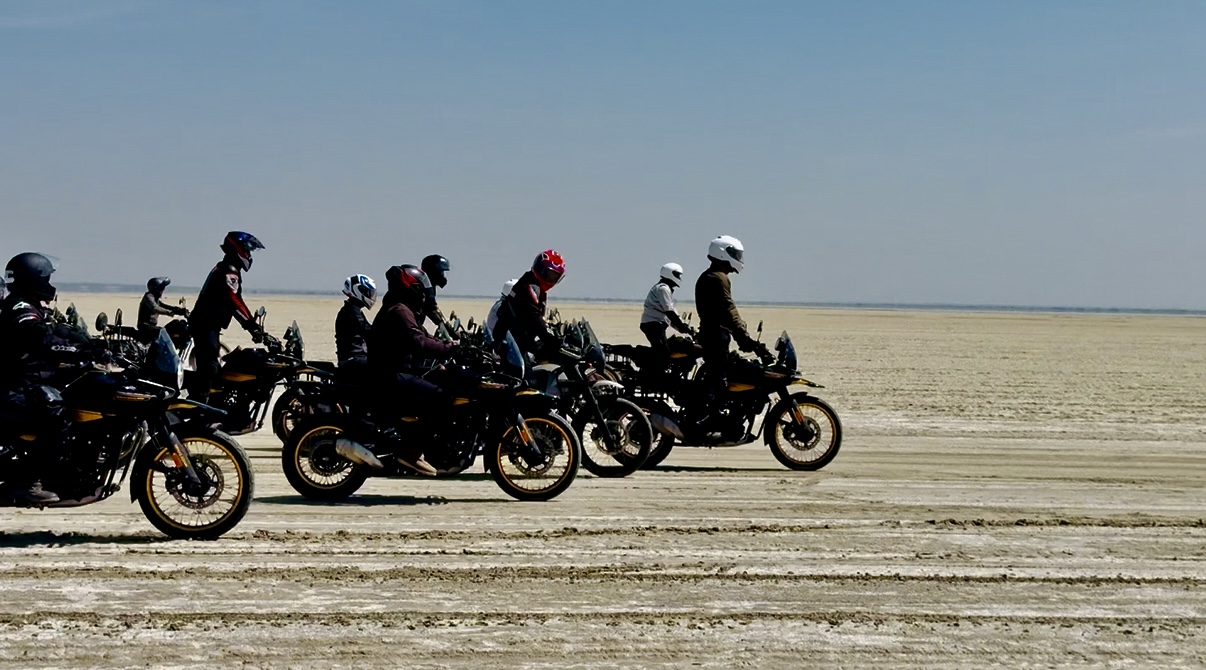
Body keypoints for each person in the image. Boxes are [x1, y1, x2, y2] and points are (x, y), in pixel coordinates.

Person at [0, 252, 93, 504]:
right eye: (47, 278)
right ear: (33, 279)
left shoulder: (28, 304)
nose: (50, 284)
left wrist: (86, 341)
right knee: (56, 415)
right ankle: (28, 483)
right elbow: (40, 337)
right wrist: (73, 347)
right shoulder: (20, 307)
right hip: (13, 387)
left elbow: (52, 332)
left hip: (24, 381)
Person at [368, 264, 454, 476]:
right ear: (411, 287)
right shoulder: (400, 311)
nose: (424, 292)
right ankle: (411, 452)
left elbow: (425, 336)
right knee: (441, 398)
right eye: (420, 287)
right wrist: (451, 349)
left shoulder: (401, 309)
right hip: (392, 374)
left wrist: (452, 344)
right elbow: (419, 342)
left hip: (395, 371)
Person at [692, 236, 772, 428]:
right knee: (721, 380)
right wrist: (746, 340)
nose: (738, 258)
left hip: (713, 336)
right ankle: (709, 421)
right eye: (735, 254)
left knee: (725, 374)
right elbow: (729, 311)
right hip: (715, 338)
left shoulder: (710, 276)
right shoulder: (718, 278)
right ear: (723, 253)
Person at [188, 232, 265, 401]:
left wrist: (251, 326)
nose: (249, 254)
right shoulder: (229, 270)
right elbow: (234, 301)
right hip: (206, 323)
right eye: (248, 249)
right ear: (237, 248)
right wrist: (252, 327)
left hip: (206, 323)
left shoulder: (226, 267)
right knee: (209, 367)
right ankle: (201, 407)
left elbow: (234, 302)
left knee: (210, 364)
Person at [490, 250, 565, 358]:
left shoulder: (539, 290)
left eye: (554, 277)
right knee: (529, 373)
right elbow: (534, 317)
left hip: (520, 340)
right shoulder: (529, 285)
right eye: (547, 273)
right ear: (538, 268)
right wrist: (551, 339)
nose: (549, 279)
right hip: (510, 343)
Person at [639, 262, 695, 360]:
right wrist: (681, 326)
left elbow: (670, 313)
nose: (679, 278)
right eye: (677, 275)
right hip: (653, 325)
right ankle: (654, 373)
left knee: (664, 349)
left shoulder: (665, 289)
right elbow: (669, 311)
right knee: (662, 352)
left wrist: (682, 328)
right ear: (670, 274)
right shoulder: (663, 289)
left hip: (656, 325)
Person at [137, 276, 188, 342]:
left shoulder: (156, 298)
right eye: (162, 288)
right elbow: (155, 308)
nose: (163, 291)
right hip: (145, 326)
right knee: (164, 333)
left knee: (176, 324)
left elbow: (164, 306)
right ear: (156, 289)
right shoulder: (149, 296)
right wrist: (169, 312)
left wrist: (178, 310)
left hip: (151, 326)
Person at [419, 254, 451, 328]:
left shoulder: (428, 287)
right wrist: (447, 328)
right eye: (441, 272)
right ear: (434, 272)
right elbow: (432, 309)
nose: (443, 276)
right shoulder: (422, 290)